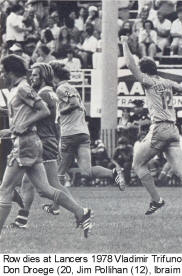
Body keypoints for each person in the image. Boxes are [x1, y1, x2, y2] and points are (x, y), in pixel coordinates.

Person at [121, 35, 182, 218]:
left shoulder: (148, 81)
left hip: (159, 127)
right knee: (181, 170)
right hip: (173, 130)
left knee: (137, 164)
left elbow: (129, 64)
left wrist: (124, 43)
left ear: (144, 71)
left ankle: (157, 200)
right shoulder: (167, 83)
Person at [0, 55, 92, 238]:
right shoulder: (23, 88)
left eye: (3, 71)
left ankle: (15, 221)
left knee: (5, 188)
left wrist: (23, 126)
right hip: (30, 142)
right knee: (45, 189)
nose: (2, 74)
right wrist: (11, 130)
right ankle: (82, 212)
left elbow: (43, 110)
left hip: (26, 143)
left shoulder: (23, 89)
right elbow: (26, 115)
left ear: (11, 72)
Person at [42, 61, 126, 214]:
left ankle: (57, 207)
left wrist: (61, 111)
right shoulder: (72, 87)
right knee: (86, 170)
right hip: (82, 133)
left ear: (54, 75)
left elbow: (73, 104)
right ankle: (113, 173)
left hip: (69, 134)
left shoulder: (61, 88)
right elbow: (79, 105)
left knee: (58, 173)